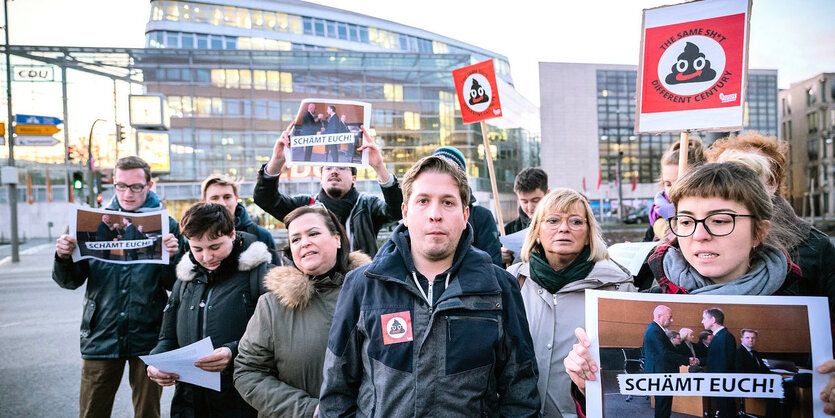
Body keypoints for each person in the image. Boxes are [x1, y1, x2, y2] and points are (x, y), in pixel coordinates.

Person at [562, 163, 835, 416]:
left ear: (759, 232)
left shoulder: (811, 314)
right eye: (686, 221)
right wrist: (589, 389)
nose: (699, 234)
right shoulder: (647, 299)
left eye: (720, 220)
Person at [319, 155, 540, 416]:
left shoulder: (499, 288)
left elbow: (521, 394)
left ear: (465, 213)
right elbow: (336, 393)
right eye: (423, 201)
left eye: (447, 202)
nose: (435, 215)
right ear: (405, 212)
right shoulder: (362, 285)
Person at [52, 156, 181, 418]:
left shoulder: (168, 225)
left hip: (148, 334)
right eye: (121, 186)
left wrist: (173, 257)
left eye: (136, 187)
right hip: (101, 332)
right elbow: (70, 281)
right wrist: (63, 257)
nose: (127, 193)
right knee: (92, 410)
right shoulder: (89, 221)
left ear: (149, 185)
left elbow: (175, 285)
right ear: (113, 183)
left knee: (148, 412)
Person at [233, 205, 372, 417]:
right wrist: (310, 410)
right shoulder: (272, 305)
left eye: (313, 233)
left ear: (337, 239)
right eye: (295, 239)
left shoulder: (373, 294)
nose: (304, 242)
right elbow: (248, 372)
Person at [506, 187, 633, 417]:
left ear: (588, 234)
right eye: (553, 220)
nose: (564, 228)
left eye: (575, 222)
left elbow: (627, 371)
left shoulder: (618, 287)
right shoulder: (512, 282)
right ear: (536, 231)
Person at [146, 203, 272, 418]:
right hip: (188, 402)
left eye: (215, 247)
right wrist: (157, 363)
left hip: (240, 400)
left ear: (232, 234)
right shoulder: (185, 278)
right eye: (197, 249)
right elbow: (167, 337)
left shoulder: (259, 274)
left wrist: (233, 351)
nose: (206, 257)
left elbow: (273, 336)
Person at [706, 131, 835, 319]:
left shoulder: (814, 246)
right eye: (722, 174)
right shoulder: (692, 238)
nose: (732, 183)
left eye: (748, 172)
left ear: (772, 183)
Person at [254, 123, 402, 257]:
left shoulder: (368, 205)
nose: (334, 171)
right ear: (321, 177)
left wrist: (379, 167)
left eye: (342, 167)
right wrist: (277, 161)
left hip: (362, 281)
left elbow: (396, 211)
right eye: (328, 168)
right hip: (317, 284)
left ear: (354, 178)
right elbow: (265, 199)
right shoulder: (305, 206)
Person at [432, 146, 503, 266]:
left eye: (448, 203)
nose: (435, 216)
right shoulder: (422, 215)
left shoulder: (481, 217)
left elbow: (493, 267)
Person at [644, 138, 706, 242]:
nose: (672, 190)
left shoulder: (705, 214)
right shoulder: (658, 214)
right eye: (668, 184)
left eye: (678, 183)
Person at [201, 174, 277, 255]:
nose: (222, 203)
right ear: (204, 202)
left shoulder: (262, 235)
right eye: (214, 198)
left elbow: (276, 267)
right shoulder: (194, 238)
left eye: (227, 197)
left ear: (236, 199)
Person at [643, 305, 693, 418]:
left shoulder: (655, 329)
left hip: (661, 373)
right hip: (660, 374)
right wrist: (687, 360)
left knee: (664, 406)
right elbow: (664, 353)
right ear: (659, 316)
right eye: (670, 317)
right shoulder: (655, 330)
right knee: (663, 407)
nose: (672, 320)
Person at [502, 167, 549, 264]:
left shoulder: (558, 227)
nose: (530, 207)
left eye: (535, 200)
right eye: (524, 201)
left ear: (547, 194)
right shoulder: (508, 230)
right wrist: (500, 256)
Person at [702, 307, 737, 417]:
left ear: (712, 320)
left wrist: (718, 383)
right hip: (720, 384)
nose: (702, 321)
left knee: (727, 410)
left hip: (722, 384)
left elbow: (724, 363)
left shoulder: (724, 337)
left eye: (704, 318)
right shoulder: (720, 336)